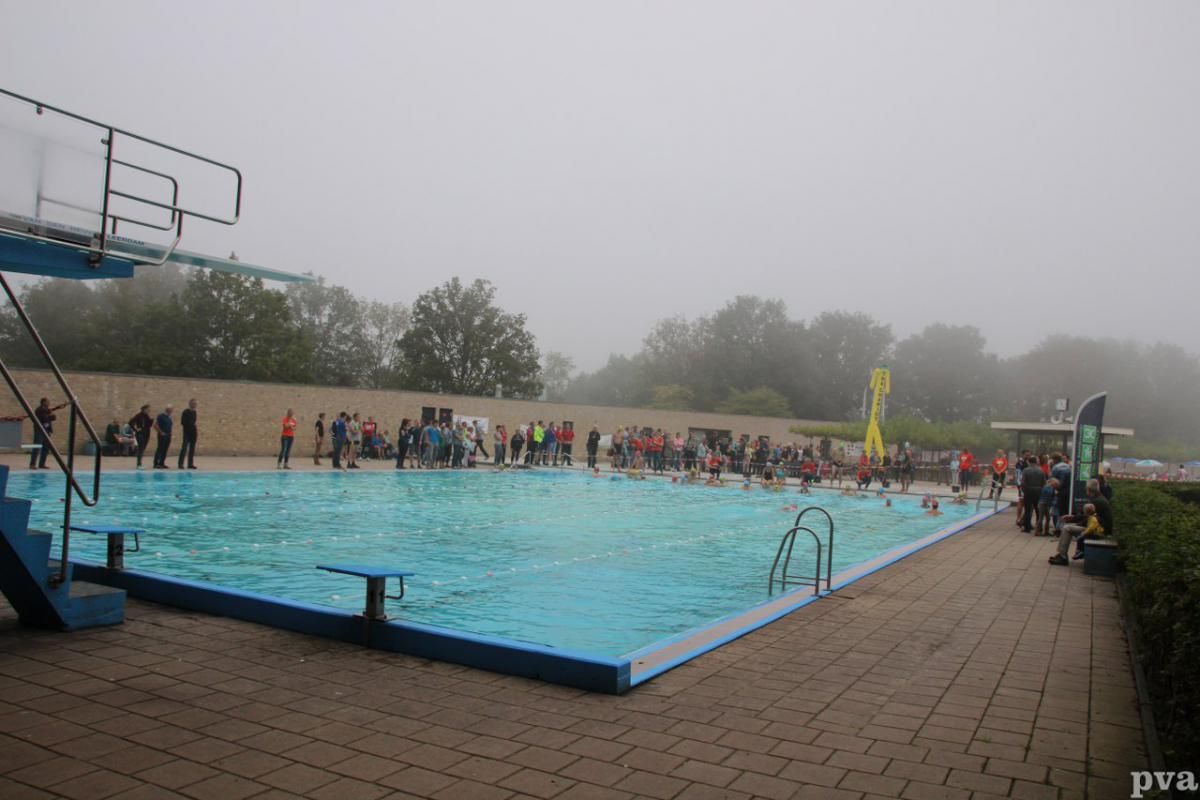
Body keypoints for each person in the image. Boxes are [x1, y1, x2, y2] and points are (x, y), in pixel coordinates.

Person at [1050, 479, 1112, 565]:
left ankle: (1062, 556)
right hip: (1099, 528)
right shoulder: (1099, 498)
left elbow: (1087, 517)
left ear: (1089, 489)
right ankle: (1061, 554)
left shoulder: (1097, 501)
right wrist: (1073, 518)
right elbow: (1089, 517)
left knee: (1067, 528)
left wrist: (1073, 518)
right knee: (1068, 527)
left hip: (1098, 530)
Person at [1019, 456, 1046, 532]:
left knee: (1028, 510)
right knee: (1038, 510)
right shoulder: (1040, 470)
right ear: (1036, 462)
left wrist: (1025, 491)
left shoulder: (1026, 470)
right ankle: (1039, 527)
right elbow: (1044, 482)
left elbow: (1023, 482)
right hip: (1039, 491)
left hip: (1029, 491)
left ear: (1029, 462)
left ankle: (1027, 528)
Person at [29, 397, 56, 469]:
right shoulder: (39, 410)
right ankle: (32, 464)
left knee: (46, 448)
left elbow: (54, 417)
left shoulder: (47, 410)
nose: (49, 403)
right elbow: (44, 419)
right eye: (47, 401)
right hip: (39, 431)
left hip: (46, 431)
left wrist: (50, 415)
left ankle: (42, 464)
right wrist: (50, 415)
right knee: (37, 447)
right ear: (43, 402)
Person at [177, 398, 198, 469]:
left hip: (193, 433)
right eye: (193, 403)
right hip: (187, 433)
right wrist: (189, 425)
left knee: (192, 449)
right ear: (190, 404)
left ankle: (190, 464)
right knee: (184, 448)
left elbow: (194, 422)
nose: (194, 405)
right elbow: (183, 422)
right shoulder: (185, 412)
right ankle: (180, 464)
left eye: (195, 404)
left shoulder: (194, 412)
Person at [130, 404, 152, 469]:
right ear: (144, 409)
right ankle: (139, 464)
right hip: (140, 434)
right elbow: (131, 422)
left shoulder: (147, 416)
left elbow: (148, 425)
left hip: (146, 434)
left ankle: (140, 462)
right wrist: (135, 429)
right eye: (148, 409)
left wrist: (151, 421)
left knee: (143, 448)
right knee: (141, 448)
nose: (149, 411)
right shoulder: (138, 415)